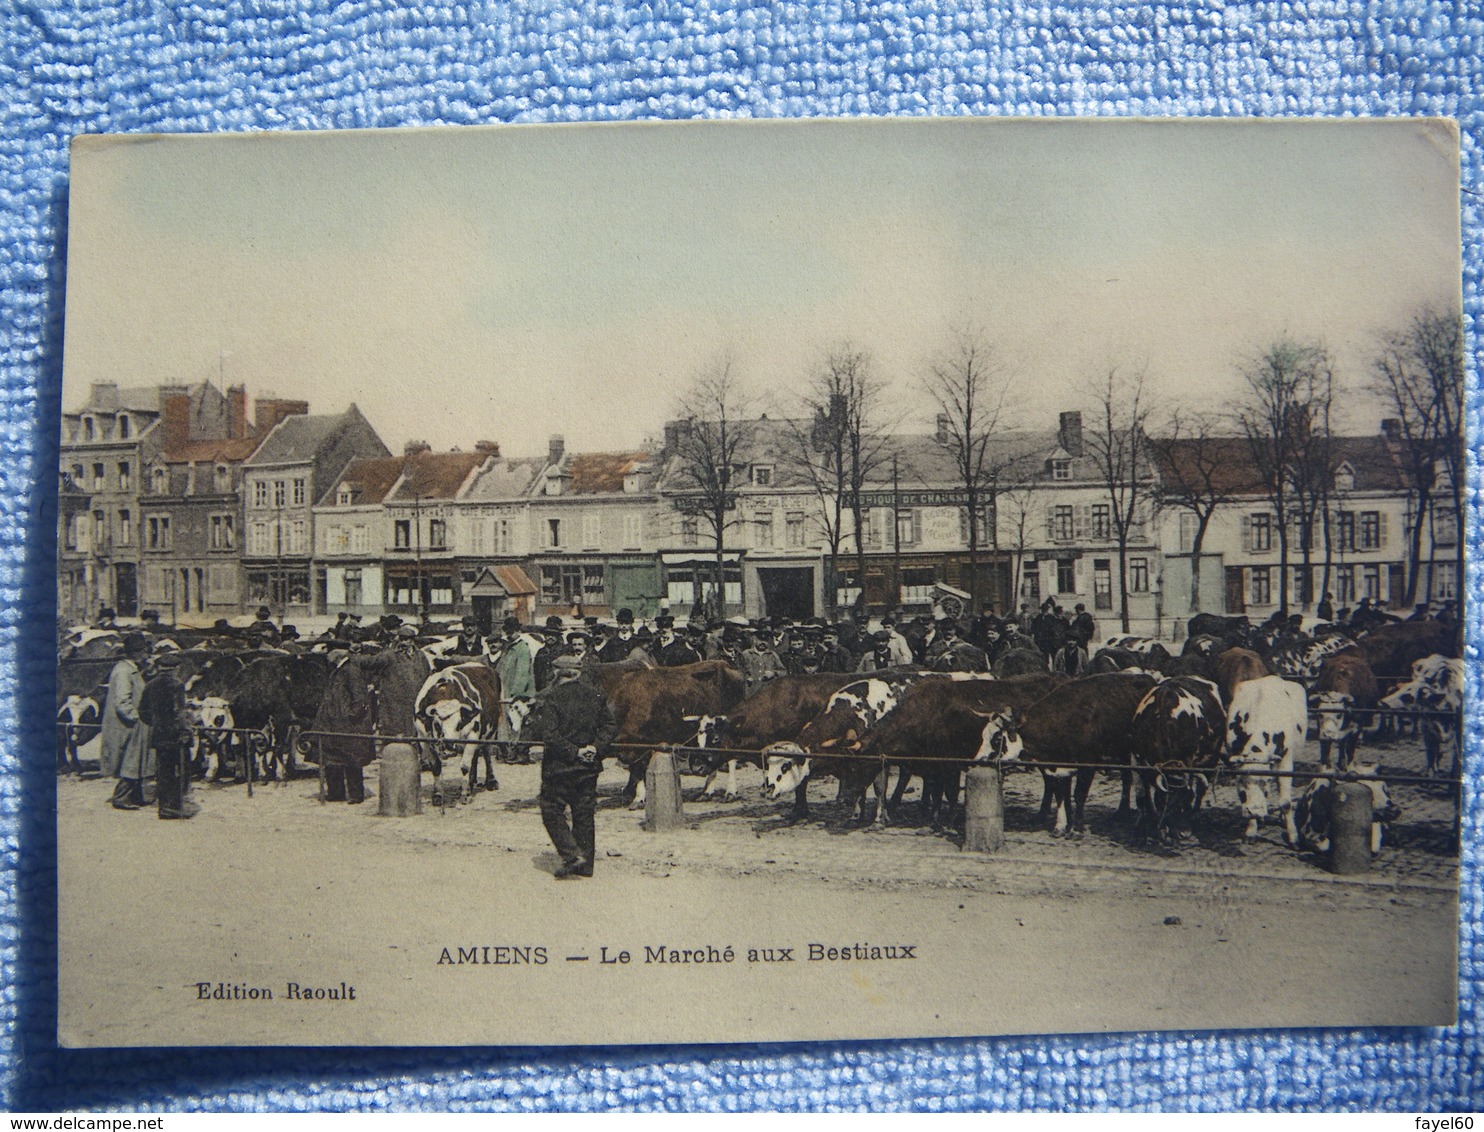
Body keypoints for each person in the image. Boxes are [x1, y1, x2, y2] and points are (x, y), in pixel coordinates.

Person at [524, 655, 617, 880]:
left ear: (558, 673)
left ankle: (571, 854)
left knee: (551, 809)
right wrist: (594, 748)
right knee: (584, 813)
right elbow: (610, 725)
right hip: (588, 766)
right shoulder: (595, 695)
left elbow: (550, 735)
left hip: (560, 766)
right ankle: (585, 867)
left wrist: (574, 751)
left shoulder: (551, 698)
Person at [101, 633, 153, 809]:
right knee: (130, 761)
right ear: (136, 653)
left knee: (136, 760)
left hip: (134, 725)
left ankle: (136, 796)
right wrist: (137, 717)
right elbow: (122, 701)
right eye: (145, 651)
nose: (148, 655)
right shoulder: (123, 671)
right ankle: (121, 797)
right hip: (127, 726)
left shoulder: (132, 669)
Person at [139, 653, 194, 819]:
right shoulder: (177, 685)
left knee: (163, 772)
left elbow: (143, 711)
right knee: (178, 771)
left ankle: (164, 807)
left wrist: (156, 723)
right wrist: (185, 730)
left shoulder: (150, 685)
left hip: (159, 734)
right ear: (175, 669)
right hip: (175, 734)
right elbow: (179, 711)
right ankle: (173, 808)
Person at [490, 615, 535, 768]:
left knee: (516, 723)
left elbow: (522, 673)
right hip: (504, 690)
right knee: (505, 723)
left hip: (516, 694)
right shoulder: (508, 647)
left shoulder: (522, 648)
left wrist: (517, 694)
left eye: (512, 631)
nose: (509, 634)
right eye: (507, 631)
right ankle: (505, 751)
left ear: (518, 630)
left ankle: (515, 752)